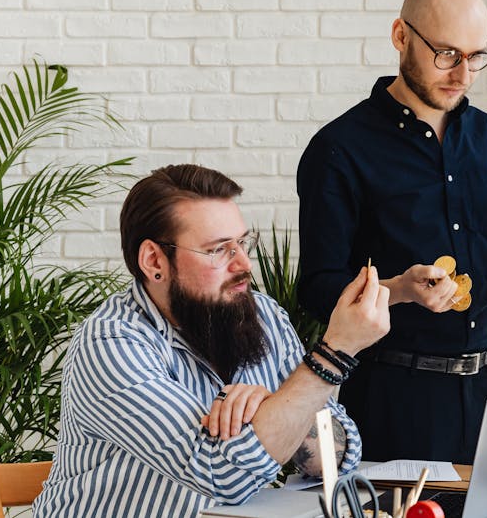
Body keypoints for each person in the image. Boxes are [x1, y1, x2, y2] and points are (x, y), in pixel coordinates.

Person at [297, 0, 487, 463]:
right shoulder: (338, 150)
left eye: (477, 57)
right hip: (394, 401)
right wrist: (398, 288)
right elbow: (315, 287)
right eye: (447, 54)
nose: (463, 74)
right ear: (401, 36)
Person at [34, 164, 390, 518]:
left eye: (242, 243)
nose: (244, 264)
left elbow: (337, 460)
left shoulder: (264, 316)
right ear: (154, 260)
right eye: (219, 250)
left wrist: (273, 404)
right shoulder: (111, 343)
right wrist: (333, 354)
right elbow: (222, 475)